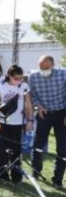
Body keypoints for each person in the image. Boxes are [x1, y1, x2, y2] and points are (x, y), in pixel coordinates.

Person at [28, 55, 66, 188]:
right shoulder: (33, 76)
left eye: (46, 68)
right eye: (41, 67)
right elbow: (32, 94)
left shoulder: (63, 74)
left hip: (62, 113)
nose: (43, 70)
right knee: (37, 145)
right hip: (44, 113)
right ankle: (35, 172)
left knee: (63, 148)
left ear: (53, 65)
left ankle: (57, 180)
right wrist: (39, 106)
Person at [0, 65, 33, 183]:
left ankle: (16, 176)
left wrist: (30, 120)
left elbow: (29, 105)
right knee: (2, 150)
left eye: (21, 78)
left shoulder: (24, 86)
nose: (19, 81)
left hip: (17, 124)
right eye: (16, 78)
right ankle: (2, 175)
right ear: (9, 76)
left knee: (16, 151)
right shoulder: (1, 85)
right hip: (3, 122)